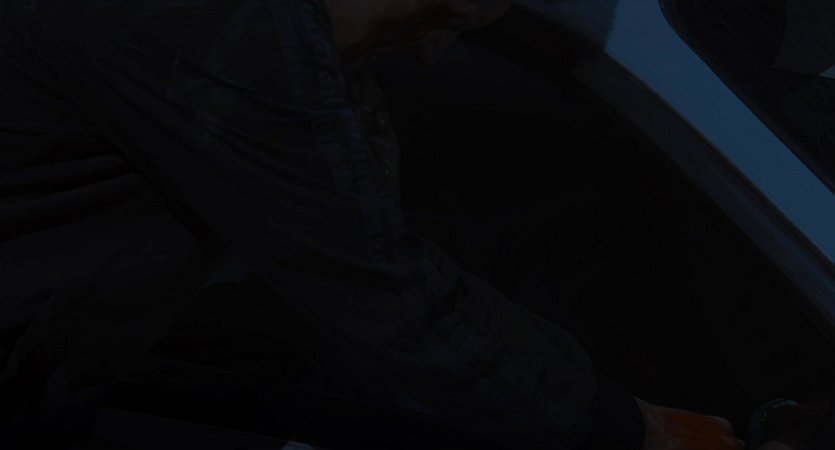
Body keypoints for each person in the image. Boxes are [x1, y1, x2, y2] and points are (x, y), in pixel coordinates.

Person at [0, 0, 776, 448]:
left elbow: (340, 287)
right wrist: (631, 430)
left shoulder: (269, 54)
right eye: (441, 21)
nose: (430, 54)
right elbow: (380, 294)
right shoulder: (226, 27)